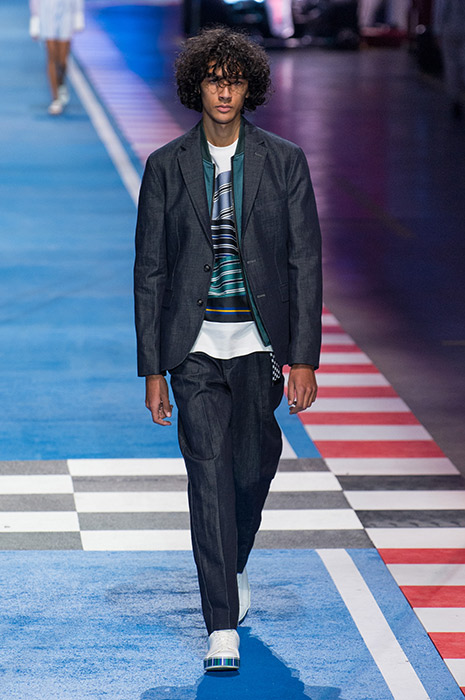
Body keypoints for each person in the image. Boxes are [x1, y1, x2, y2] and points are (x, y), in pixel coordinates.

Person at [134, 27, 322, 672]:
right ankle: (220, 625)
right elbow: (150, 270)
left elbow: (304, 260)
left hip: (258, 349)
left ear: (250, 88)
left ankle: (231, 563)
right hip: (192, 350)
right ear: (197, 87)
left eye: (234, 80)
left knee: (251, 469)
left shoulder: (284, 161)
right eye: (213, 80)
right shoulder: (166, 166)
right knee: (209, 478)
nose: (223, 91)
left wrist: (303, 358)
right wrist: (153, 369)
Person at [29, 0, 85, 115]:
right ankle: (55, 99)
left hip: (67, 11)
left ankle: (61, 82)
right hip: (47, 11)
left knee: (62, 60)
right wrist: (35, 18)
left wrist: (78, 13)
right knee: (52, 56)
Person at [435, 0, 465, 119]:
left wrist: (438, 31)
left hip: (450, 27)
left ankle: (455, 99)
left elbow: (441, 10)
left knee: (451, 65)